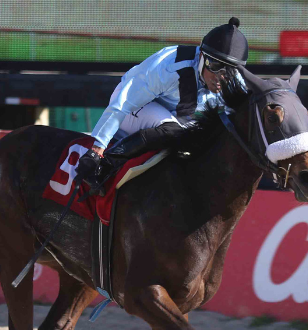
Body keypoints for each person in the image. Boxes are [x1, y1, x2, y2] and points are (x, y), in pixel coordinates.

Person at [76, 17, 249, 196]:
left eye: (229, 71)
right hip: (135, 106)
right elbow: (123, 103)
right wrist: (97, 148)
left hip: (170, 115)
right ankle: (105, 166)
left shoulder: (234, 82)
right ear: (202, 55)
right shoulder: (168, 68)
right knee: (174, 131)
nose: (220, 78)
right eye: (215, 66)